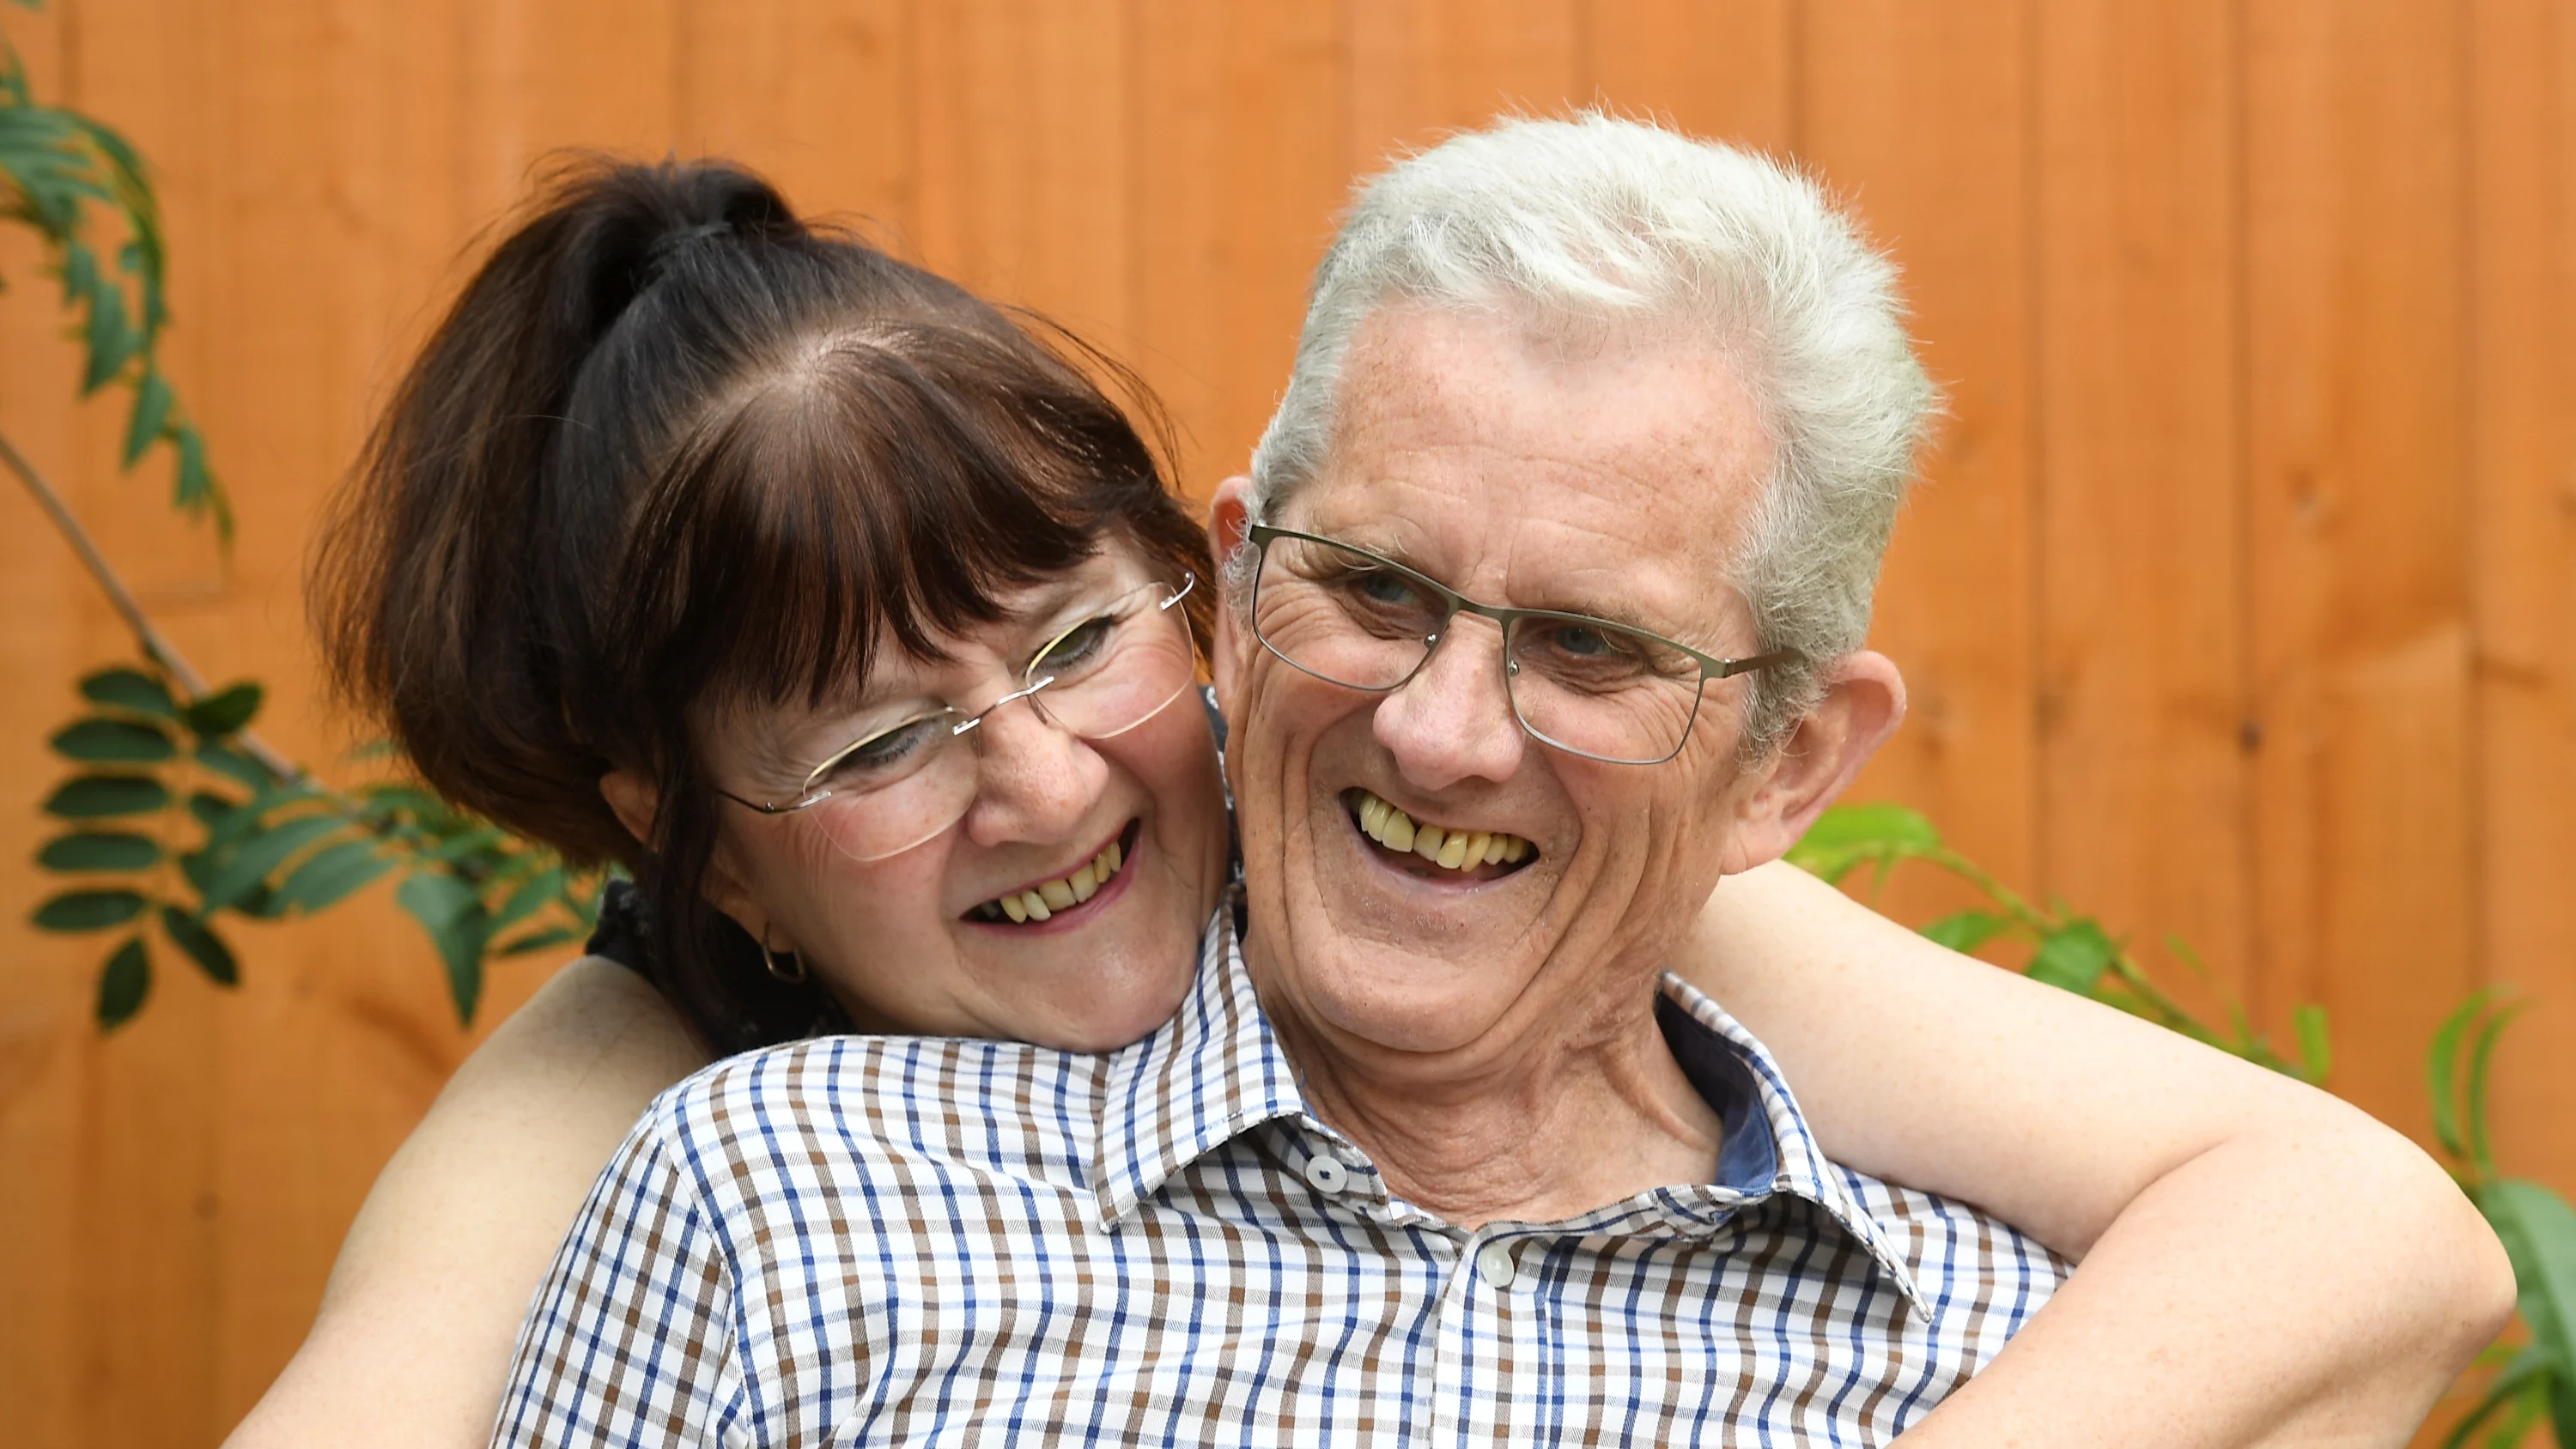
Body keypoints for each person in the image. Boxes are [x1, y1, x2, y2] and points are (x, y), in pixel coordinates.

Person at [472, 119, 2512, 1447]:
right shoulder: (790, 1201)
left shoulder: (2023, 1346)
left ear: (1789, 761)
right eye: (1378, 588)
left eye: (1593, 646)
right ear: (1244, 582)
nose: (1446, 732)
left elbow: (2379, 1237)